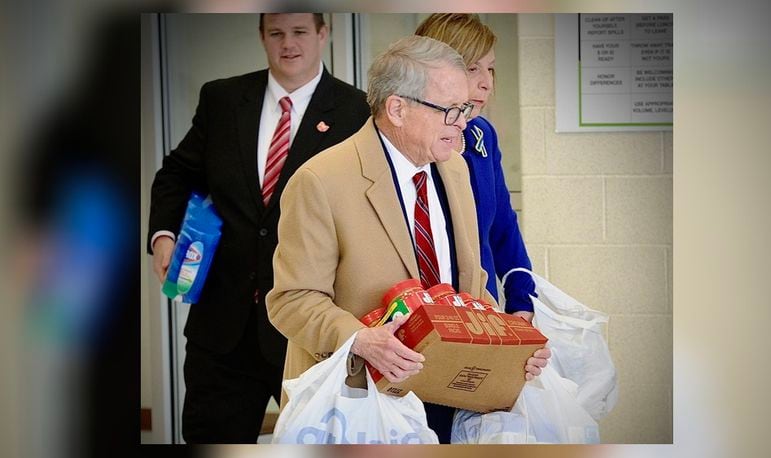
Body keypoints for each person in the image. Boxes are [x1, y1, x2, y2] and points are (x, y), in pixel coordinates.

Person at [266, 35, 549, 444]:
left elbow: (472, 288)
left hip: (450, 396)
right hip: (361, 403)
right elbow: (292, 300)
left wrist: (511, 347)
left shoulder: (455, 170)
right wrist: (361, 339)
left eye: (465, 109)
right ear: (397, 108)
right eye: (451, 110)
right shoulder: (320, 181)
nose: (464, 123)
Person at [147, 13, 370, 443]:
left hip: (309, 327)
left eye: (300, 32)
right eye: (277, 33)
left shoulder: (355, 109)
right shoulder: (223, 99)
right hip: (224, 326)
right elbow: (177, 173)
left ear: (323, 34)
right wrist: (163, 236)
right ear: (262, 37)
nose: (289, 44)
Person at [416, 14, 538, 320]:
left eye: (491, 68)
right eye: (473, 68)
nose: (487, 82)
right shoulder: (411, 140)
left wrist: (522, 301)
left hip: (483, 313)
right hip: (421, 315)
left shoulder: (482, 134)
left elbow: (503, 228)